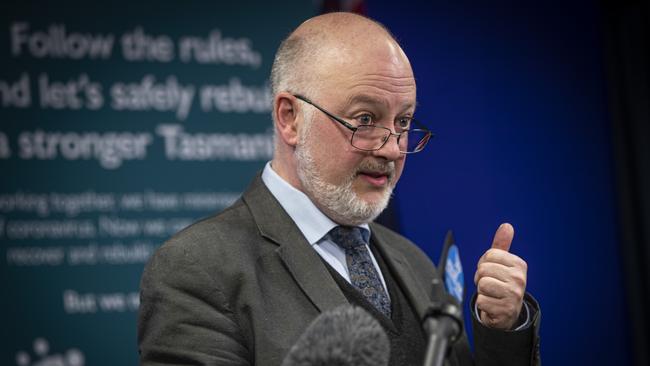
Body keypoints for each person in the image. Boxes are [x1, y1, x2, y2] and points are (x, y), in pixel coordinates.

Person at [138, 12, 540, 366]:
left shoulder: (413, 262)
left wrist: (501, 331)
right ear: (290, 118)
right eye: (365, 119)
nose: (393, 148)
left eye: (403, 122)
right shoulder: (199, 268)